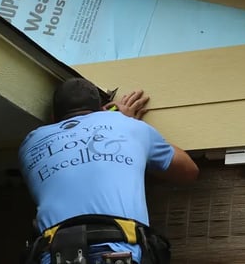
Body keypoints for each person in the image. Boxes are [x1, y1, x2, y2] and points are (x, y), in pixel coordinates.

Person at [19, 78, 199, 264]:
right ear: (102, 109)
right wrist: (123, 120)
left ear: (53, 118)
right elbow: (188, 171)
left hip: (56, 256)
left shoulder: (30, 143)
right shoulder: (129, 126)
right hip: (118, 252)